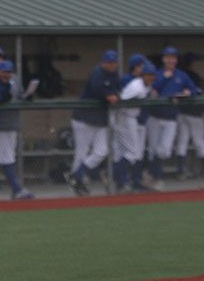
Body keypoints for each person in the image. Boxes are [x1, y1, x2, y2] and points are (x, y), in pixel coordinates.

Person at [65, 50, 120, 196]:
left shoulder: (115, 75)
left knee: (102, 151)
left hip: (101, 120)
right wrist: (109, 95)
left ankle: (76, 176)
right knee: (81, 153)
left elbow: (117, 90)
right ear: (103, 62)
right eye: (109, 62)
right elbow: (98, 90)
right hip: (84, 119)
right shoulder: (97, 73)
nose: (112, 65)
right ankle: (77, 183)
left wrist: (114, 95)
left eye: (114, 62)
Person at [0, 60, 35, 200]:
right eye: (4, 72)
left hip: (10, 125)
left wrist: (27, 97)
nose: (7, 74)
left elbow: (19, 96)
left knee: (4, 158)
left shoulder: (14, 81)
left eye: (9, 72)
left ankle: (12, 189)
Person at [147, 46, 200, 189]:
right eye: (168, 57)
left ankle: (150, 172)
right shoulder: (157, 74)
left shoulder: (181, 75)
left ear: (176, 60)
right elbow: (152, 89)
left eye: (173, 57)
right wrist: (164, 78)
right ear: (164, 59)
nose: (170, 60)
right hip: (155, 116)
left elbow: (194, 90)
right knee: (153, 149)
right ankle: (157, 178)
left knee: (165, 150)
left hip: (171, 117)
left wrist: (187, 92)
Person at [113, 62, 158, 191]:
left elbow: (149, 91)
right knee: (132, 153)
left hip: (130, 118)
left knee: (128, 152)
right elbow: (120, 101)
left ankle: (119, 182)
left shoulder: (146, 85)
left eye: (152, 75)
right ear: (142, 75)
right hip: (124, 117)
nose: (150, 78)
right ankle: (113, 175)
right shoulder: (136, 87)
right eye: (147, 75)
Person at [174, 53, 204, 179]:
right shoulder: (192, 76)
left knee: (182, 141)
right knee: (199, 141)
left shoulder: (178, 75)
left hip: (182, 113)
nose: (194, 64)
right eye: (193, 62)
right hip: (194, 113)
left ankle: (181, 170)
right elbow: (198, 93)